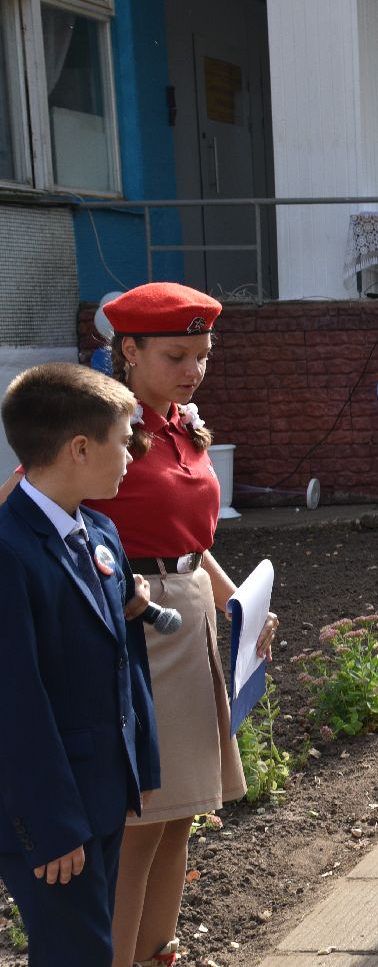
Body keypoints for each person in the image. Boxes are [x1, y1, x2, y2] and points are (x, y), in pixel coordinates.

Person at [94, 283, 278, 967]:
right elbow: (26, 510)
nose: (193, 370)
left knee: (179, 819)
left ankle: (158, 953)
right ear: (129, 349)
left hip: (192, 615)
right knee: (139, 822)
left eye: (202, 354)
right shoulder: (95, 422)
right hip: (135, 627)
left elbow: (188, 536)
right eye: (177, 355)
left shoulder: (179, 420)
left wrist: (242, 604)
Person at [0, 364, 160, 967]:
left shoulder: (97, 529)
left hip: (99, 785)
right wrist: (53, 823)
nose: (129, 456)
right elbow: (15, 699)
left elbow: (120, 651)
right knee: (77, 953)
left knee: (89, 944)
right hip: (49, 810)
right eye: (123, 441)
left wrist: (137, 762)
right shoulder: (9, 551)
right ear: (80, 448)